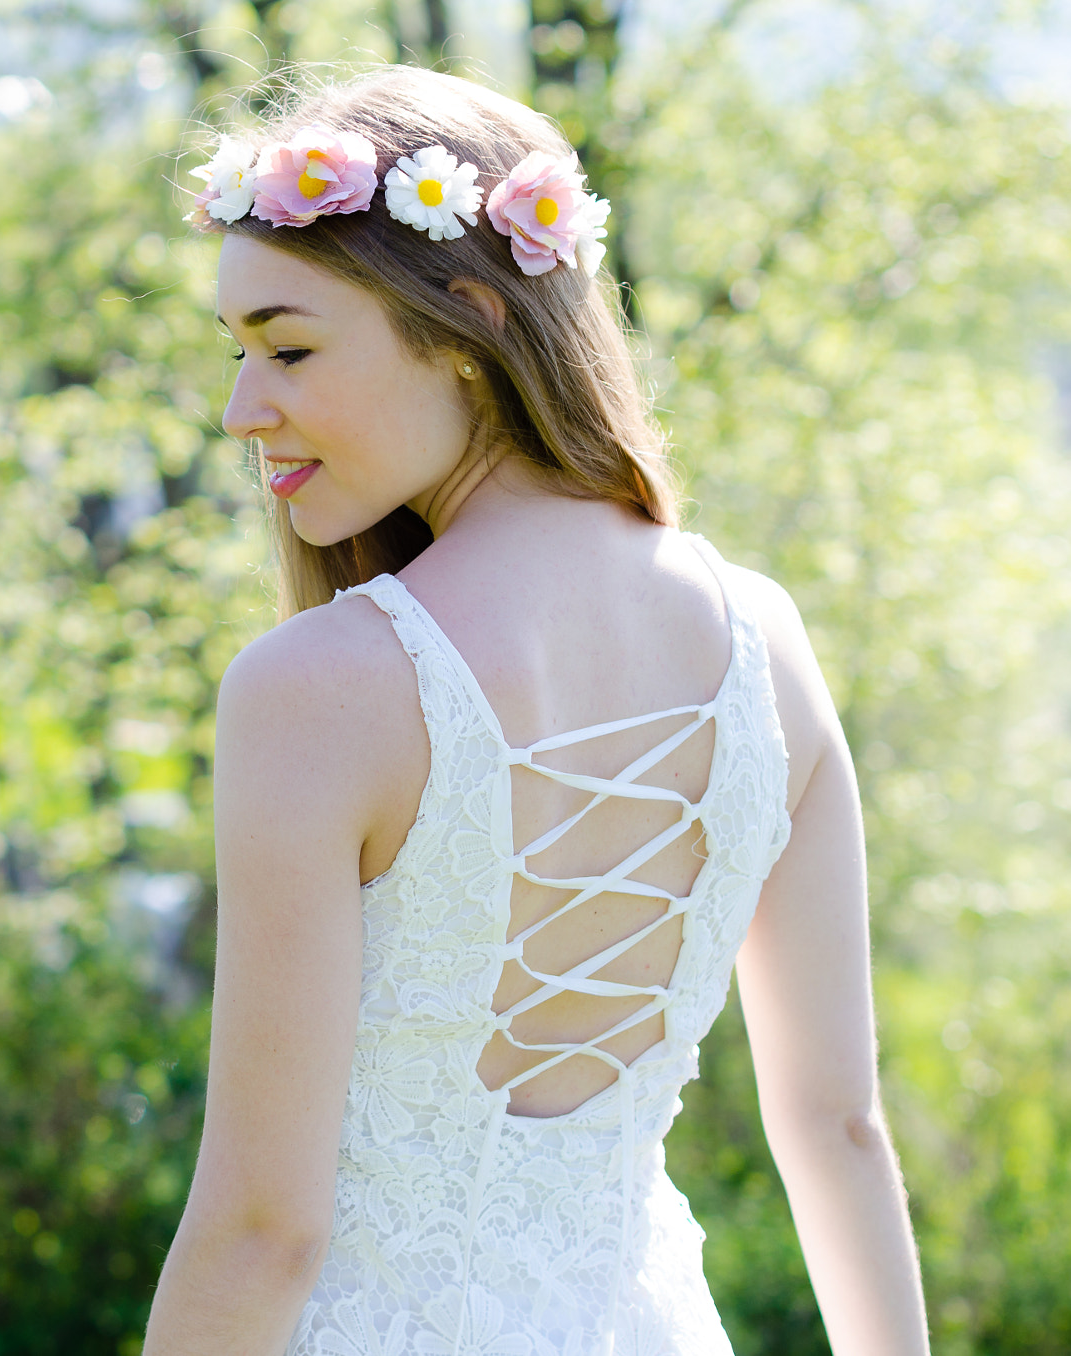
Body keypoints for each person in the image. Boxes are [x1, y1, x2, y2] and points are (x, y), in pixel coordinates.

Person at [143, 68, 930, 1355]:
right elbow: (838, 1128)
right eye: (236, 356)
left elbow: (261, 1232)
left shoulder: (316, 692)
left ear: (463, 323)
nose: (242, 411)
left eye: (285, 348)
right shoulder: (764, 640)